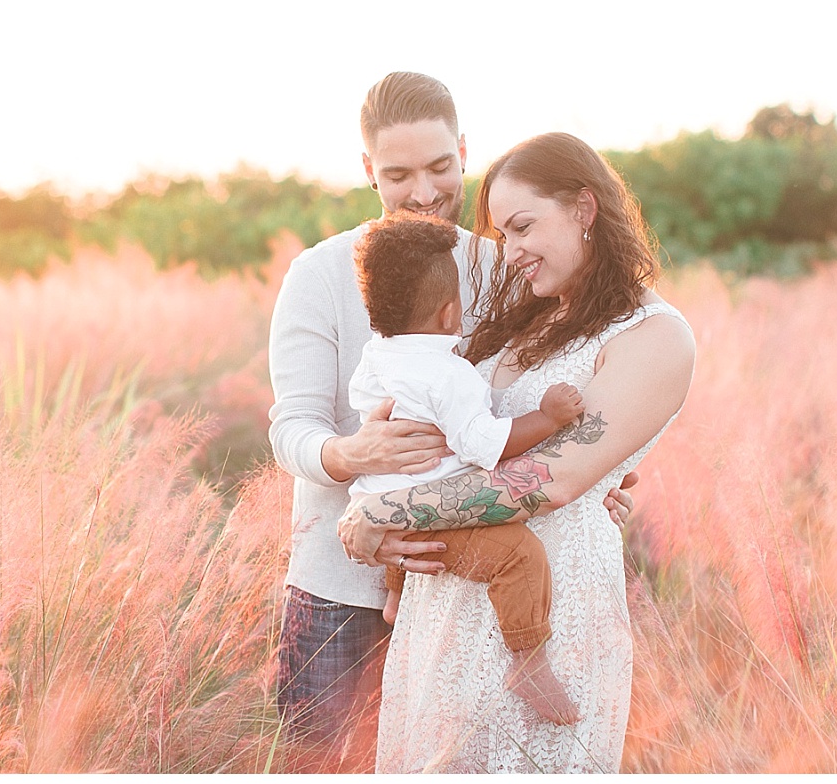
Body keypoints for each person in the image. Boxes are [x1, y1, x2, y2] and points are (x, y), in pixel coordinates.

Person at [266, 73, 636, 769]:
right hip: (339, 590)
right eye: (399, 174)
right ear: (369, 170)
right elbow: (291, 426)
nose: (425, 191)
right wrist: (353, 453)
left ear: (464, 151)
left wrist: (592, 474)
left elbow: (536, 394)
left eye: (441, 167)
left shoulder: (509, 265)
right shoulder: (318, 274)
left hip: (466, 595)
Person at [338, 131, 696, 773]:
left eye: (523, 226)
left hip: (547, 613)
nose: (511, 252)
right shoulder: (526, 323)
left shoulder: (656, 336)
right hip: (444, 607)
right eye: (503, 234)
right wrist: (368, 517)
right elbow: (418, 437)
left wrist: (382, 514)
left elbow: (544, 484)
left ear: (585, 208)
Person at [347, 209, 584, 725]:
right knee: (519, 554)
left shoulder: (379, 353)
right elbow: (485, 446)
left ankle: (393, 594)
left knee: (402, 497)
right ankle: (528, 659)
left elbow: (364, 401)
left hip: (377, 501)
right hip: (435, 512)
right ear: (450, 312)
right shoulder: (448, 375)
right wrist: (546, 417)